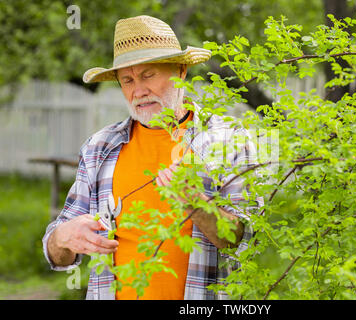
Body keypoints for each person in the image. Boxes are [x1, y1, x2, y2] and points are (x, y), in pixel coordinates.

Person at [42, 15, 262, 300]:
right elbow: (57, 252)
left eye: (148, 75)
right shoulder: (99, 147)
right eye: (127, 80)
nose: (138, 91)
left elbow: (244, 239)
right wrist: (62, 238)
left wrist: (197, 204)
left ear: (181, 71)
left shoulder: (229, 140)